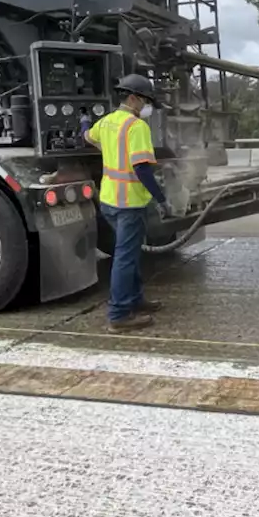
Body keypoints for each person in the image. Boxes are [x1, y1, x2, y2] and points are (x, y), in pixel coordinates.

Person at [85, 73, 172, 333]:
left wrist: (82, 123)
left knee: (130, 254)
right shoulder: (136, 127)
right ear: (133, 98)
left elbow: (88, 137)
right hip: (129, 204)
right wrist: (161, 199)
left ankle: (135, 300)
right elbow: (142, 169)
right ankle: (119, 314)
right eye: (145, 101)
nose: (146, 107)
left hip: (110, 201)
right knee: (125, 257)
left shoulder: (107, 122)